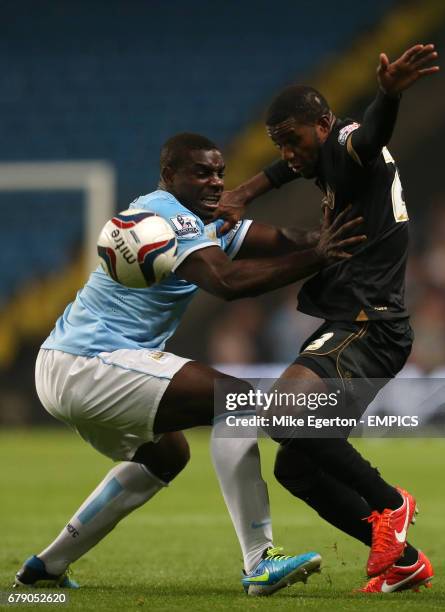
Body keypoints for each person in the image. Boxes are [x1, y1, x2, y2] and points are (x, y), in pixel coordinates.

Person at [14, 133, 365, 596]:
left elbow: (281, 240)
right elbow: (226, 282)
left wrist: (336, 240)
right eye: (201, 173)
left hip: (67, 366)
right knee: (235, 397)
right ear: (169, 177)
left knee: (166, 456)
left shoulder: (203, 222)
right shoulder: (164, 214)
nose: (216, 182)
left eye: (219, 172)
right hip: (88, 362)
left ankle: (47, 565)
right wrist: (316, 256)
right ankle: (260, 560)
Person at [214, 44, 439, 593]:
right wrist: (246, 190)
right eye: (278, 144)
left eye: (293, 139)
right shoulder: (323, 158)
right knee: (297, 466)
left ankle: (392, 505)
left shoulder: (347, 145)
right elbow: (289, 166)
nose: (288, 154)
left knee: (282, 414)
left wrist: (388, 94)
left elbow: (370, 136)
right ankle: (404, 560)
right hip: (359, 325)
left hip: (368, 324)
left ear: (324, 123)